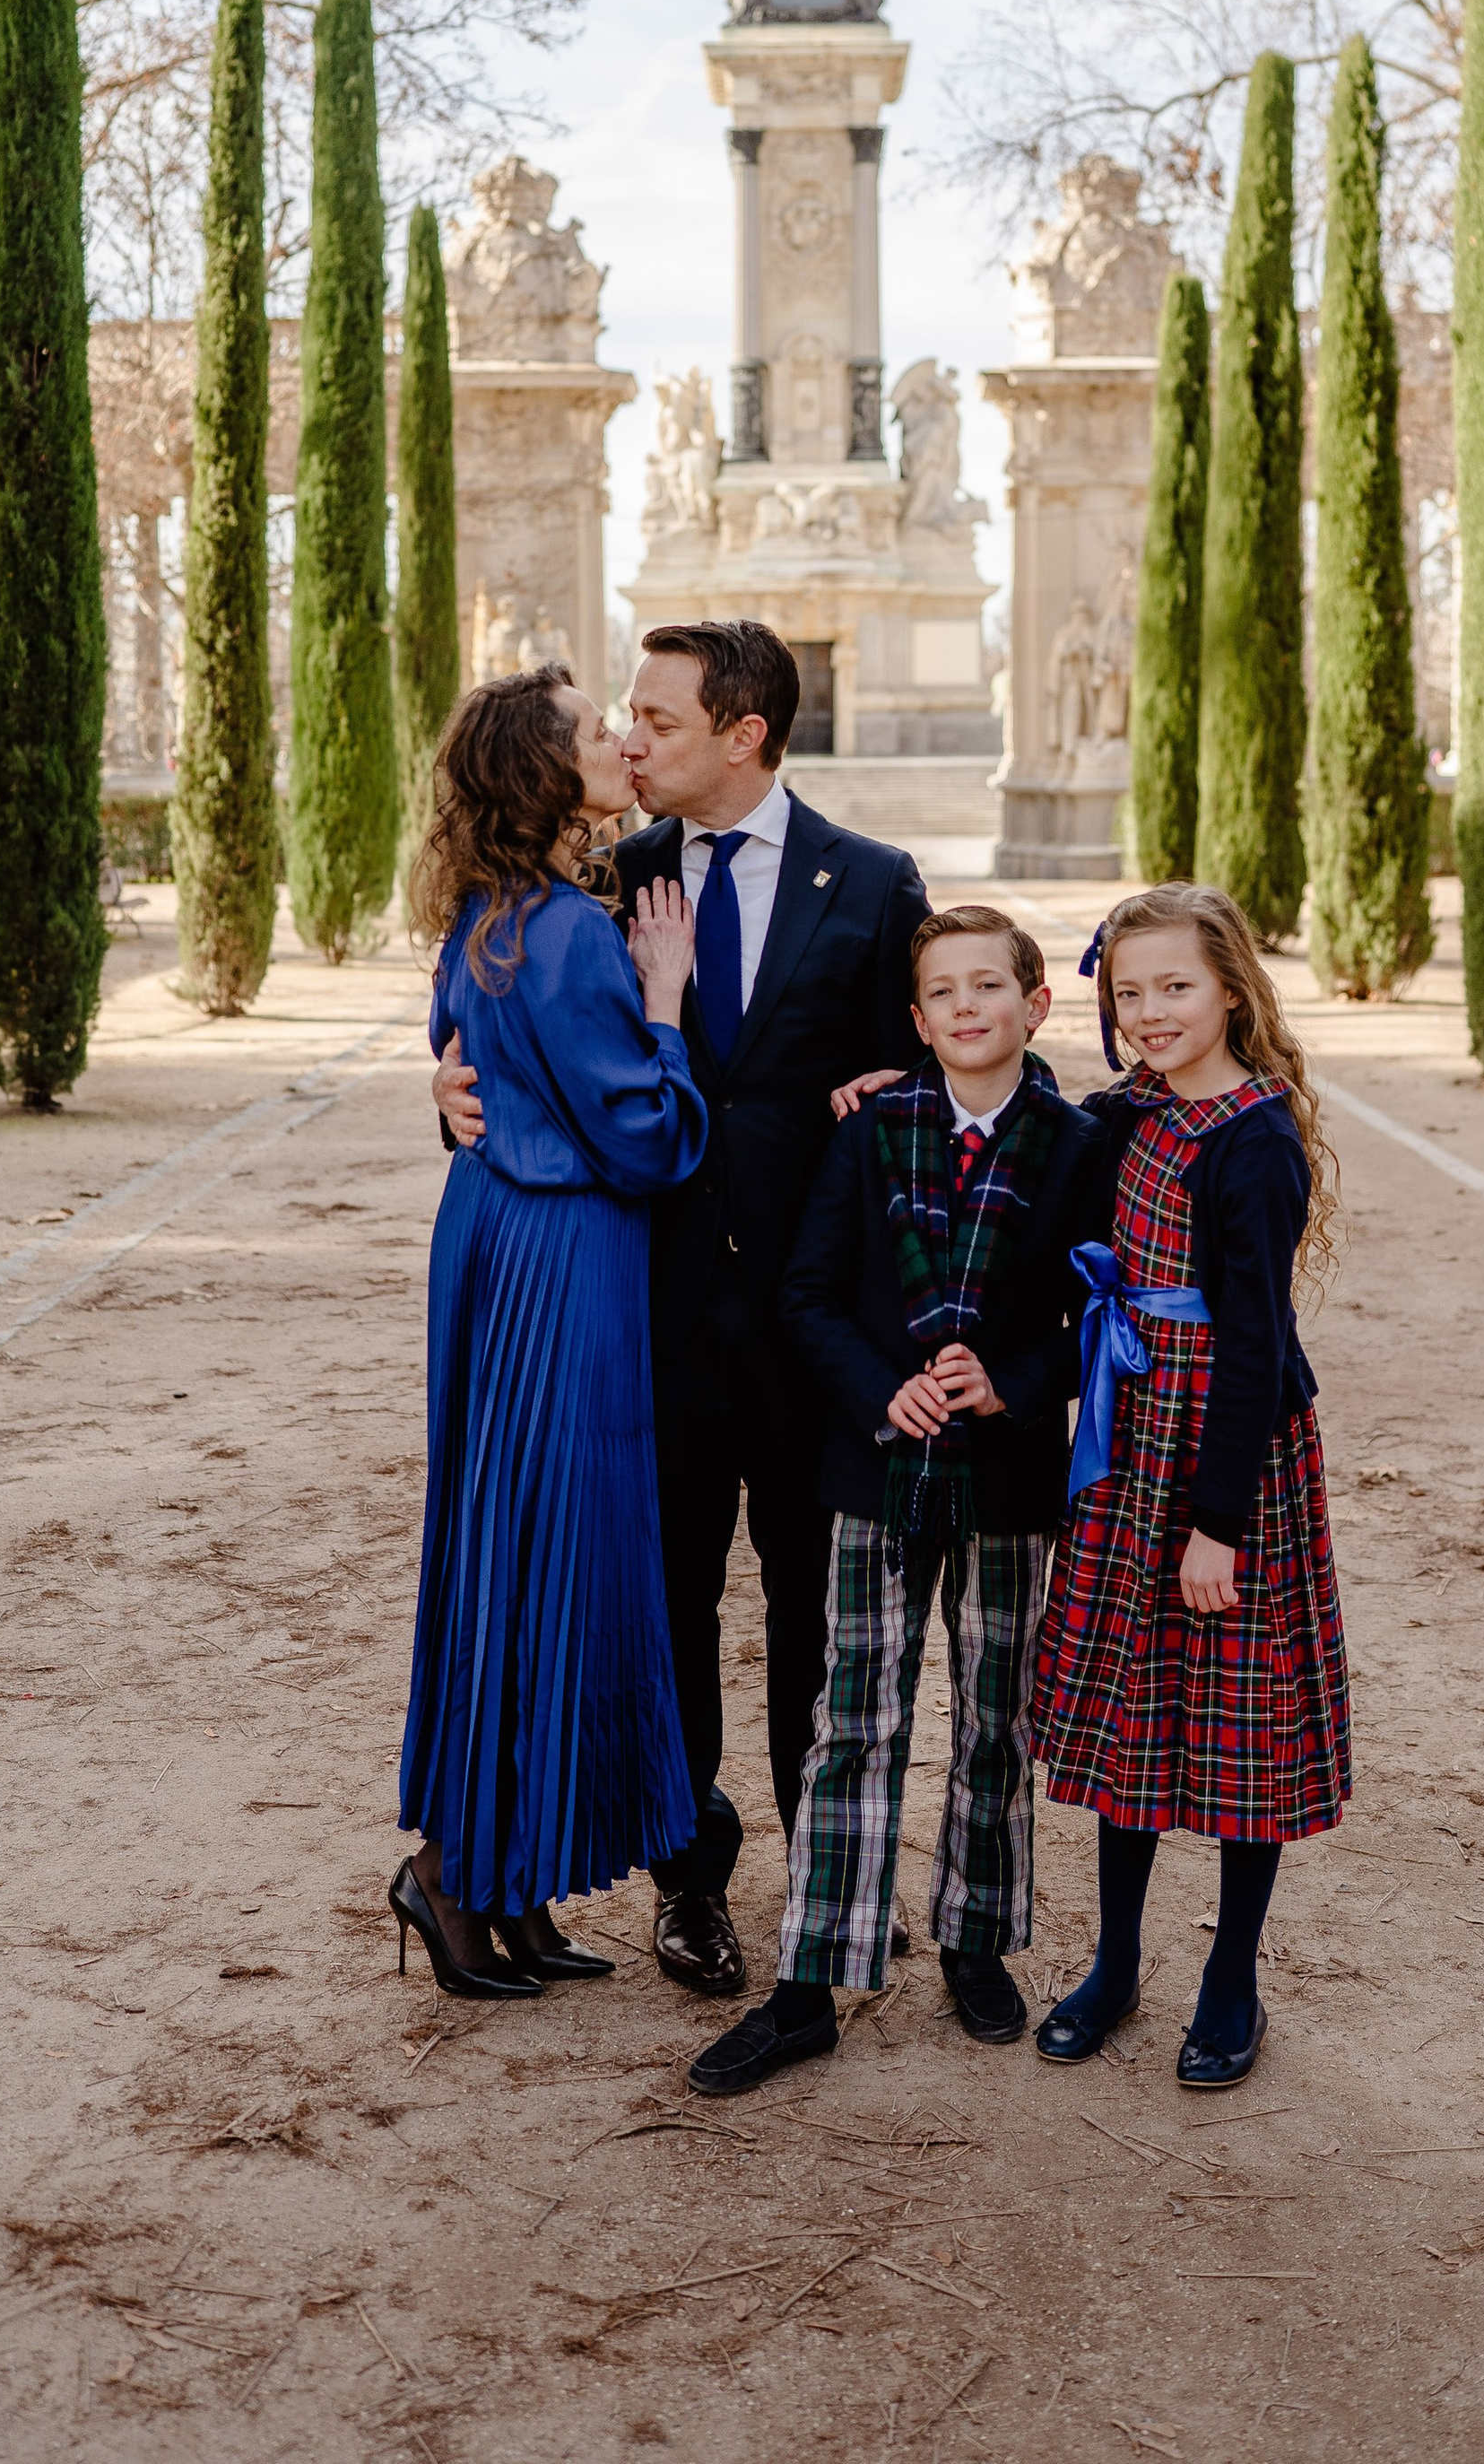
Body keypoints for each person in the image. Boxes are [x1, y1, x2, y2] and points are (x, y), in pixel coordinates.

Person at [434, 618, 929, 1998]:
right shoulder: (609, 877)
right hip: (641, 1333)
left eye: (657, 718)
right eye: (624, 722)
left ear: (744, 734)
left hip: (815, 1336)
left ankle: (834, 1877)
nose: (635, 739)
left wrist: (917, 1100)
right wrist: (446, 1094)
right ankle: (689, 1886)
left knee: (817, 1624)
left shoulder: (876, 884)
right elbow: (521, 1040)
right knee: (667, 1616)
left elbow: (950, 1058)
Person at [689, 906, 1114, 2096]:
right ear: (916, 1019)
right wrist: (889, 1391)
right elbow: (809, 1292)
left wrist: (1017, 1382)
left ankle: (976, 1941)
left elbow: (1097, 1315)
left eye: (992, 986)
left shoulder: (1078, 1144)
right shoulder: (875, 1126)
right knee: (854, 1726)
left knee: (996, 1719)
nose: (968, 1006)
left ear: (1037, 1005)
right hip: (877, 1472)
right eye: (943, 992)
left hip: (1013, 1481)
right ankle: (811, 1983)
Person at [393, 666, 707, 2000]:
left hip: (489, 1235)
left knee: (503, 1554)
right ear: (543, 772)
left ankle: (499, 1878)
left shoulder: (482, 912)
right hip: (562, 1254)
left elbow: (458, 1057)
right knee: (546, 1560)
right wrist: (670, 1003)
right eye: (596, 730)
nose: (621, 740)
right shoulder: (579, 937)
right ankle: (456, 1880)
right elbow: (644, 1138)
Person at [1028, 883, 1351, 2086]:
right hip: (1133, 1446)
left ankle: (1231, 1976)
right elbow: (1032, 1155)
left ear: (1230, 990)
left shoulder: (1253, 1140)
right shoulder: (1127, 1114)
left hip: (1226, 1458)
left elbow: (1259, 1345)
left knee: (1236, 1721)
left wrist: (1218, 1525)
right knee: (1134, 1706)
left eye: (1177, 988)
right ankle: (1115, 1962)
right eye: (1130, 992)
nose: (1152, 1011)